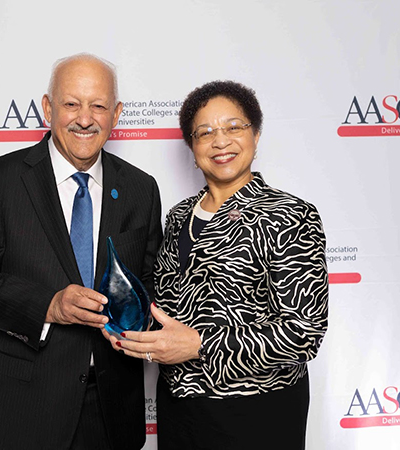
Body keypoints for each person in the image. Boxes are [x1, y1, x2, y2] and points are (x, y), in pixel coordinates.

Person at [0, 53, 162, 450]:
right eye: (71, 104)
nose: (85, 118)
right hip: (29, 409)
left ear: (116, 114)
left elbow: (148, 283)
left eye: (98, 105)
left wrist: (142, 325)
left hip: (115, 409)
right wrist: (49, 305)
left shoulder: (140, 189)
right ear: (48, 107)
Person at [109, 80, 328, 449]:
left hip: (256, 410)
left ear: (256, 136)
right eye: (205, 132)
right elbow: (168, 306)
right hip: (180, 409)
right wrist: (127, 328)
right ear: (192, 148)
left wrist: (199, 344)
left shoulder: (289, 215)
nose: (220, 141)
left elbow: (304, 332)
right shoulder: (178, 216)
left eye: (233, 127)